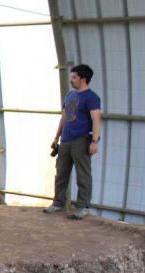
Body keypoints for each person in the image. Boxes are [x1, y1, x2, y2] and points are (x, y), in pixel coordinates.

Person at [44, 64, 102, 220]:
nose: (71, 80)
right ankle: (59, 203)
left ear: (83, 79)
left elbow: (96, 120)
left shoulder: (92, 97)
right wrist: (57, 137)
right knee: (61, 172)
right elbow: (64, 118)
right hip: (66, 140)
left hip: (81, 140)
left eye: (74, 77)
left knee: (83, 174)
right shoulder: (70, 96)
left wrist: (94, 141)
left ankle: (83, 206)